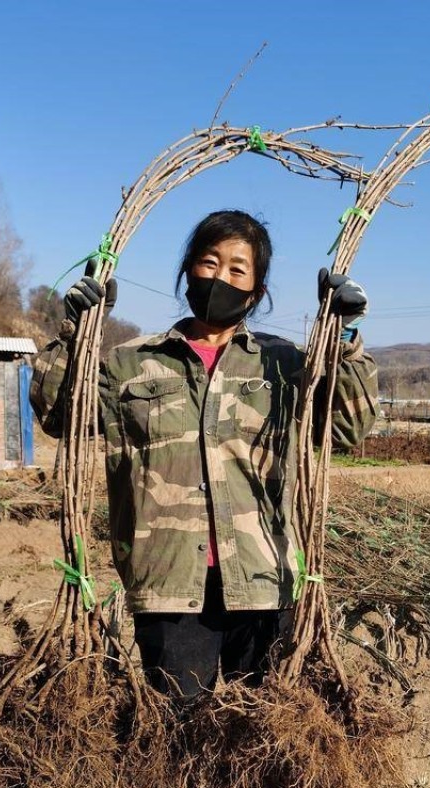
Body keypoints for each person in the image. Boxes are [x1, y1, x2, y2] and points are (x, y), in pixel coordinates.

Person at [31, 209, 379, 698]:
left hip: (263, 576)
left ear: (256, 291)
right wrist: (75, 333)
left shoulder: (284, 364)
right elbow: (57, 416)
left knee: (263, 729)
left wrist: (343, 343)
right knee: (178, 725)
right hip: (168, 581)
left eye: (238, 268)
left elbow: (347, 427)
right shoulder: (131, 363)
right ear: (187, 271)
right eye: (209, 262)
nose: (221, 276)